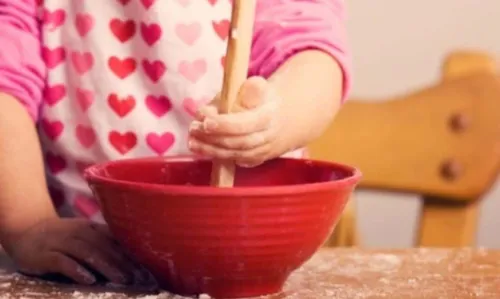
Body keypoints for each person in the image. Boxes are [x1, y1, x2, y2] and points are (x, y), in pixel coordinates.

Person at [0, 0, 351, 286]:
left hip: (249, 257)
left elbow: (311, 54)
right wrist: (29, 224)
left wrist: (276, 118)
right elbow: (5, 85)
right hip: (85, 261)